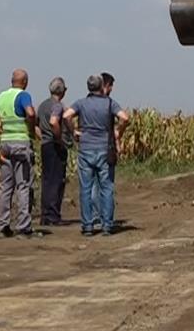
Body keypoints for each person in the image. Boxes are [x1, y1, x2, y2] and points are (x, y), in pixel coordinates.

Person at [63, 73, 129, 236]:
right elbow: (125, 118)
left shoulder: (81, 103)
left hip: (85, 149)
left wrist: (74, 132)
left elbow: (66, 116)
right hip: (104, 150)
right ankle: (107, 225)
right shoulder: (109, 104)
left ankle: (87, 226)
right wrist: (118, 132)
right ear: (102, 86)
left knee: (86, 188)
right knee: (106, 188)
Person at [0, 68, 39, 238]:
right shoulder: (23, 96)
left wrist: (0, 131)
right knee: (23, 185)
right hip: (21, 144)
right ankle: (23, 227)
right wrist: (31, 129)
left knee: (5, 187)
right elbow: (30, 113)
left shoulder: (2, 97)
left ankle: (2, 226)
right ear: (25, 82)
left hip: (5, 144)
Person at [37, 77, 72, 227]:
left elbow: (35, 125)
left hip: (45, 145)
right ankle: (53, 215)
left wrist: (42, 137)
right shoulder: (57, 106)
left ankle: (45, 214)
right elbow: (53, 122)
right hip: (54, 145)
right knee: (56, 180)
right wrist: (59, 140)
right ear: (62, 91)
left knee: (46, 180)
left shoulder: (42, 105)